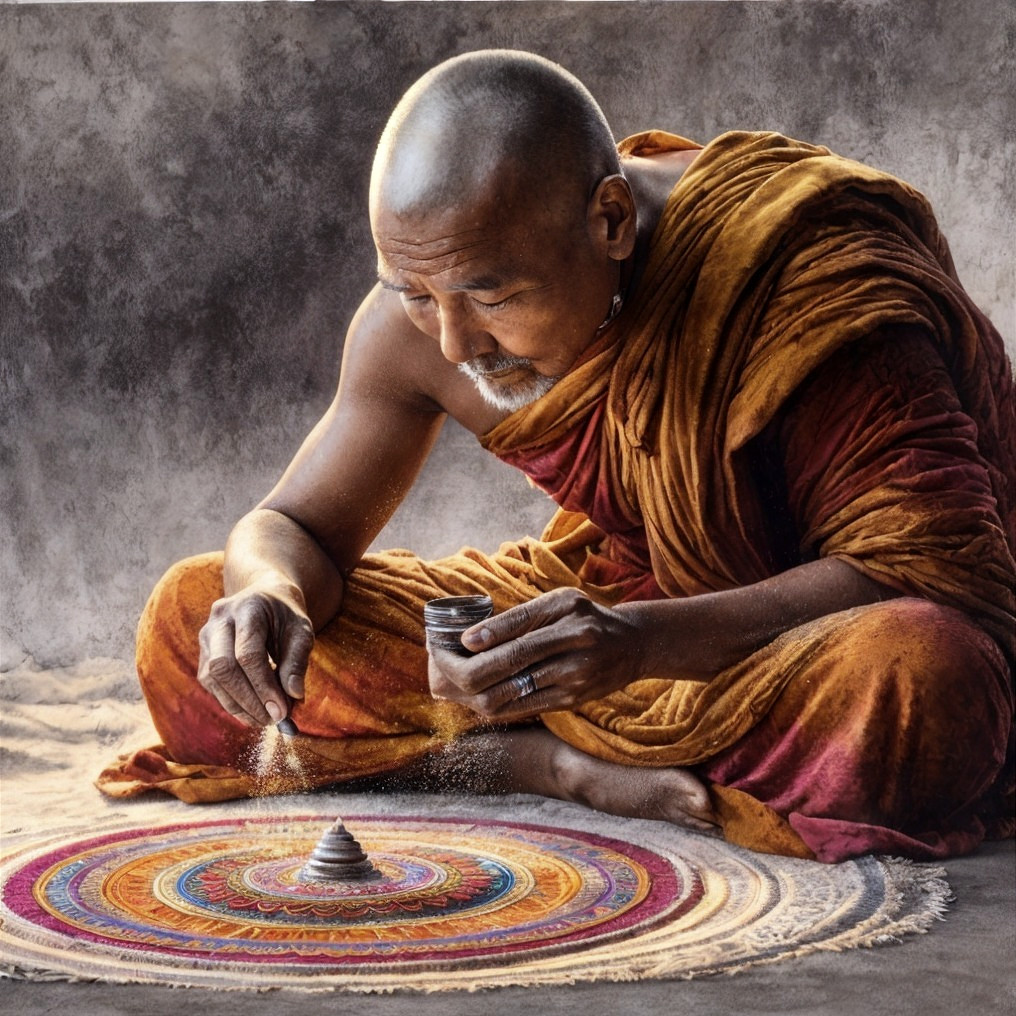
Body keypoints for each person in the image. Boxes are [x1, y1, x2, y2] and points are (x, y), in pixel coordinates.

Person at [99, 50, 1015, 863]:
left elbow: (936, 575)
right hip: (612, 609)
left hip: (793, 632)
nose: (454, 343)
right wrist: (270, 592)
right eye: (413, 292)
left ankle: (539, 742)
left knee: (927, 683)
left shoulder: (805, 279)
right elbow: (292, 525)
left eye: (490, 295)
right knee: (196, 622)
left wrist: (641, 644)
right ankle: (538, 765)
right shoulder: (426, 312)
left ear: (610, 220)